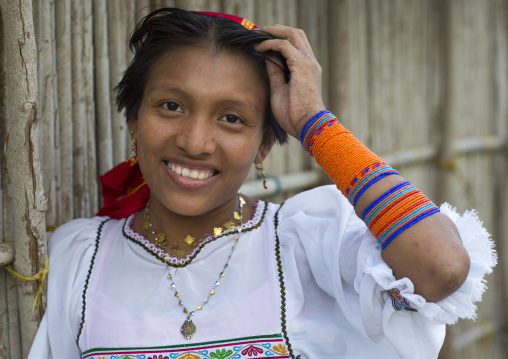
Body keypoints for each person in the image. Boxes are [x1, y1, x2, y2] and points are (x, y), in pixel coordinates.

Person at [28, 8, 496, 359]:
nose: (195, 141)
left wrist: (314, 122)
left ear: (263, 147)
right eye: (171, 106)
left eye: (231, 118)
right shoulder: (81, 258)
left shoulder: (307, 245)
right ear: (133, 121)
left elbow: (440, 271)